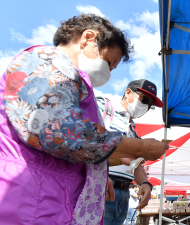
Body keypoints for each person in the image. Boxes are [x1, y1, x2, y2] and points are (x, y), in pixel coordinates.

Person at [0, 14, 168, 225]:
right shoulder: (44, 62)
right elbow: (62, 132)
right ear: (88, 38)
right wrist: (141, 147)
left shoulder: (74, 81)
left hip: (52, 197)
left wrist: (95, 176)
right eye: (109, 62)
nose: (109, 71)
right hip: (32, 199)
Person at [101, 79, 163, 224]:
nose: (146, 107)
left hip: (124, 194)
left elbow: (135, 164)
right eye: (144, 99)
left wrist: (146, 184)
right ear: (128, 92)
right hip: (103, 188)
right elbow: (86, 146)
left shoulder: (132, 128)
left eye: (150, 105)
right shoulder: (105, 109)